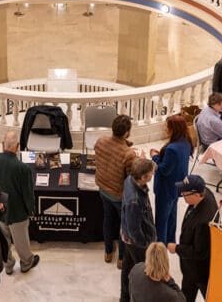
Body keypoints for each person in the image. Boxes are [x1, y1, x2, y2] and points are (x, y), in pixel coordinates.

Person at [0, 131, 39, 275]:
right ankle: (26, 263)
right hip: (17, 212)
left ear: (3, 145)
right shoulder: (23, 169)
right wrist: (30, 211)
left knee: (3, 241)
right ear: (17, 147)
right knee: (21, 242)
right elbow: (28, 194)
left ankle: (8, 265)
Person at [95, 114, 137, 268]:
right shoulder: (128, 154)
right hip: (119, 195)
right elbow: (131, 176)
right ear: (126, 132)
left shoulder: (100, 142)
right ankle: (121, 258)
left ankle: (107, 252)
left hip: (103, 188)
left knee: (107, 220)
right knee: (123, 226)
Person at [167, 175, 218, 301]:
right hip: (193, 268)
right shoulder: (206, 193)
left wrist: (177, 248)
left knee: (195, 294)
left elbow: (199, 252)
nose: (182, 194)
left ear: (196, 195)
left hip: (197, 271)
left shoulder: (203, 222)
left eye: (185, 193)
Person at [150, 115, 192, 244]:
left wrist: (155, 157)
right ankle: (170, 240)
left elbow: (163, 169)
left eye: (167, 126)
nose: (165, 128)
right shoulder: (186, 142)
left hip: (166, 188)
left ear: (173, 129)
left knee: (162, 219)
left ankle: (160, 245)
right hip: (177, 186)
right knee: (172, 215)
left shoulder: (172, 149)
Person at [121, 158, 157, 302]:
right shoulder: (134, 200)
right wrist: (144, 243)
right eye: (151, 173)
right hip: (136, 243)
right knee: (143, 272)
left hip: (128, 238)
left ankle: (124, 297)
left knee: (127, 268)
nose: (153, 174)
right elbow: (134, 228)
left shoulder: (130, 179)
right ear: (143, 177)